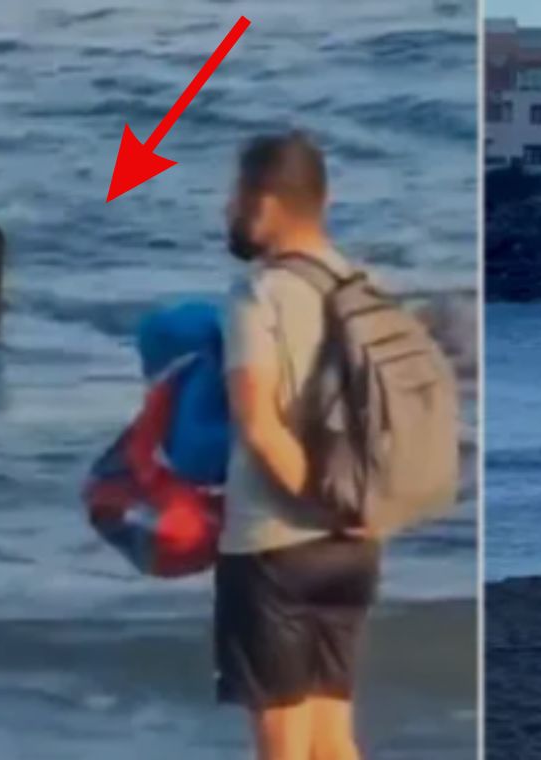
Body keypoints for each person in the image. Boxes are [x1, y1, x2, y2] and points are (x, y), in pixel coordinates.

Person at [217, 132, 379, 760]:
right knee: (334, 739)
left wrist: (316, 508)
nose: (227, 210)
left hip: (278, 542)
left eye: (234, 196)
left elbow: (258, 423)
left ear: (265, 203)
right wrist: (349, 516)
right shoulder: (362, 285)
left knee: (283, 749)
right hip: (357, 543)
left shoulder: (258, 296)